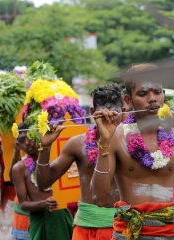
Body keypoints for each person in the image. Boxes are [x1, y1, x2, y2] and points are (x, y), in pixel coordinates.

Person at [92, 63, 174, 240]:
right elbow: (99, 198)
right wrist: (104, 143)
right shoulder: (116, 137)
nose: (152, 99)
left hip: (168, 233)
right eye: (143, 93)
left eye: (157, 92)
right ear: (129, 101)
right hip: (128, 233)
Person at [36, 84, 123, 240]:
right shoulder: (77, 143)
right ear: (92, 113)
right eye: (102, 114)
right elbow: (44, 183)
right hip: (85, 228)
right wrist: (45, 148)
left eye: (115, 113)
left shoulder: (132, 143)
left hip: (121, 227)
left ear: (124, 112)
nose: (109, 118)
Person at [12, 122, 73, 240]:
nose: (28, 142)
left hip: (61, 217)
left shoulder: (55, 156)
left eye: (30, 136)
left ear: (37, 135)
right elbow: (23, 204)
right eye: (22, 140)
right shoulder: (19, 168)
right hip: (40, 221)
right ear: (18, 145)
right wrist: (44, 203)